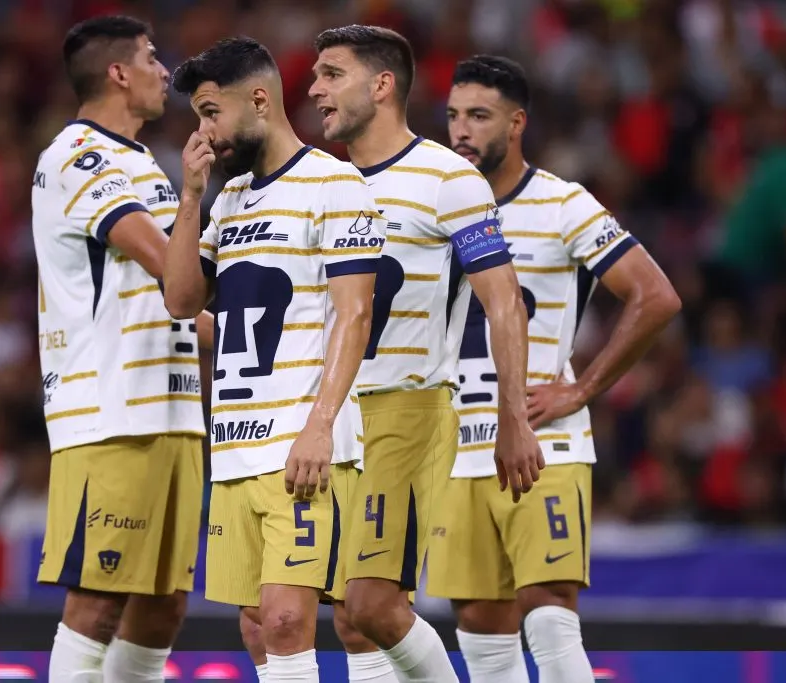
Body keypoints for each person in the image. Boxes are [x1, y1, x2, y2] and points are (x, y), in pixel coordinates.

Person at [427, 55, 682, 683]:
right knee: (482, 629)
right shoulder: (428, 206)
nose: (461, 131)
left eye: (479, 117)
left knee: (547, 612)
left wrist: (583, 388)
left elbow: (656, 296)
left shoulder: (563, 202)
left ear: (517, 123)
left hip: (543, 441)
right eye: (454, 116)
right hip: (453, 445)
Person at [309, 26, 545, 682]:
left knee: (374, 602)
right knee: (349, 617)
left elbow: (503, 303)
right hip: (333, 415)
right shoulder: (318, 181)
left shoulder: (448, 178)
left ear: (381, 85)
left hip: (408, 407)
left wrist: (513, 416)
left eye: (331, 74)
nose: (314, 88)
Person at [163, 37, 384, 682]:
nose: (204, 130)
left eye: (211, 112)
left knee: (291, 619)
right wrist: (191, 195)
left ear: (259, 99)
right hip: (234, 445)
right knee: (258, 626)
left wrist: (320, 425)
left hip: (302, 444)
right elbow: (181, 299)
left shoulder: (334, 183)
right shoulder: (228, 204)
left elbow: (356, 313)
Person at [31, 16, 213, 683]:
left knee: (163, 604)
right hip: (111, 411)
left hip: (171, 410)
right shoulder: (78, 156)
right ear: (117, 73)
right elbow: (172, 270)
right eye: (151, 58)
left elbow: (183, 299)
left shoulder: (142, 165)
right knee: (99, 601)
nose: (164, 71)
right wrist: (195, 196)